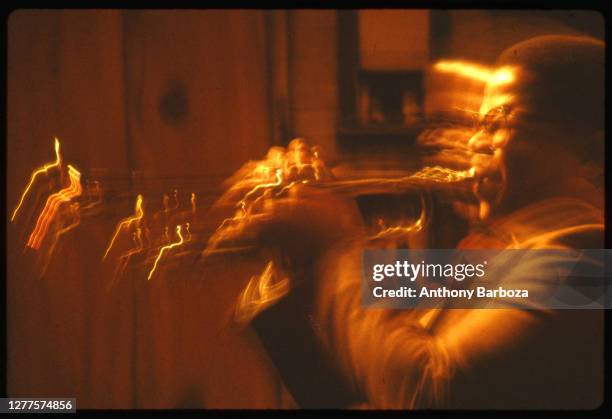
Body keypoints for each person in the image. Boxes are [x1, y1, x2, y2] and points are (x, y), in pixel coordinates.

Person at [214, 34, 604, 408]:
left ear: (590, 154)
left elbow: (428, 392)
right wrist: (297, 264)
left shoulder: (589, 266)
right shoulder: (487, 257)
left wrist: (337, 248)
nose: (473, 143)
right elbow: (356, 384)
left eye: (497, 123)